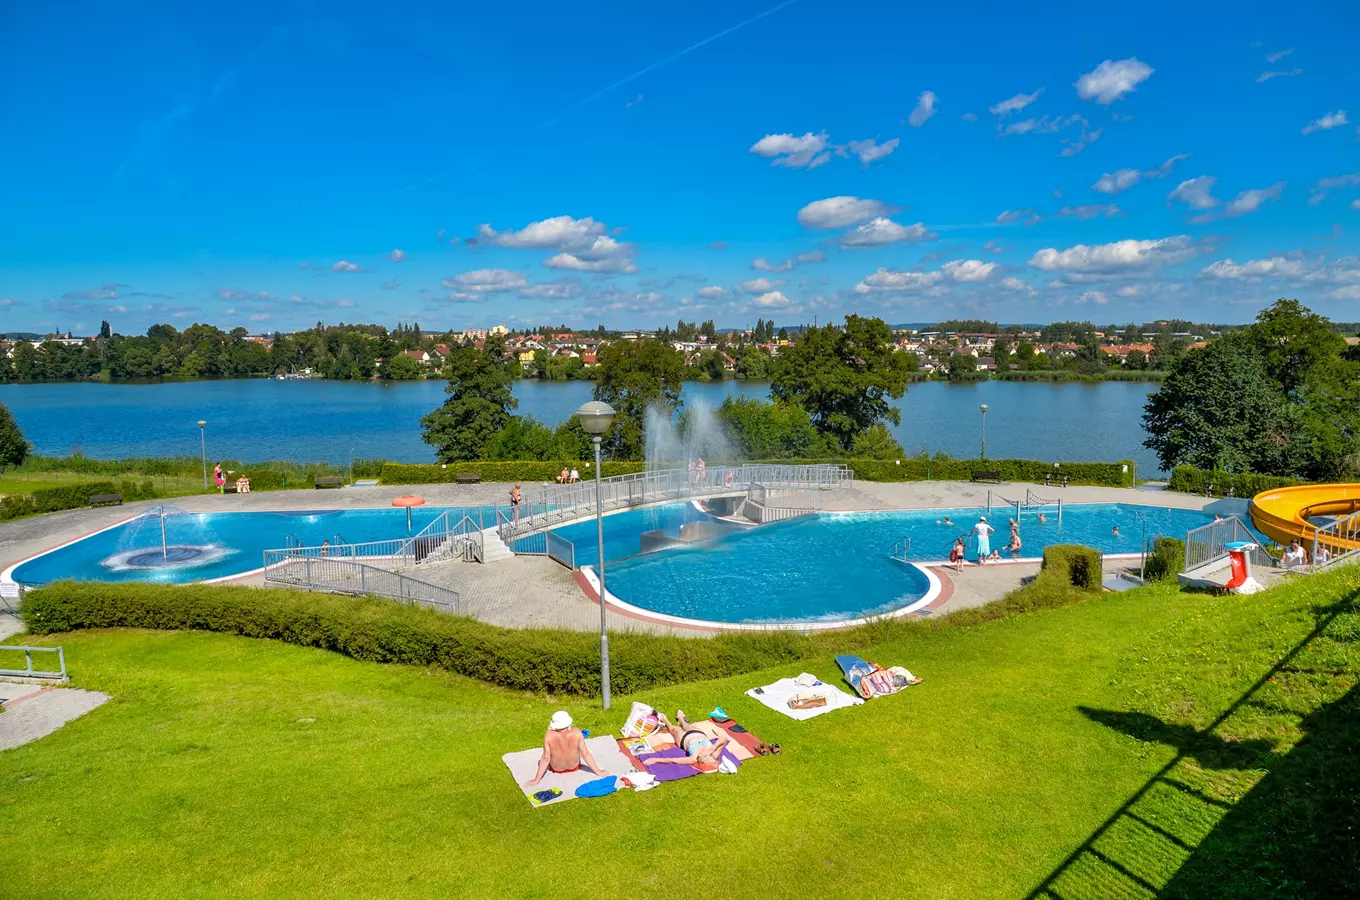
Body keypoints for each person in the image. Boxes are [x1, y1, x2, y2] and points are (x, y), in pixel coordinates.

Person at [523, 711, 611, 787]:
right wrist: (599, 772)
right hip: (575, 767)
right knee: (584, 750)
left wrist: (536, 780)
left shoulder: (549, 735)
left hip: (557, 769)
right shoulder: (577, 732)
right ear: (568, 723)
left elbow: (546, 758)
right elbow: (585, 753)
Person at [647, 710, 729, 773]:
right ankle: (680, 719)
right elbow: (724, 738)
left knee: (673, 729)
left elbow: (674, 760)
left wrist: (655, 759)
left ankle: (666, 721)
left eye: (703, 758)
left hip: (683, 739)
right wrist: (713, 748)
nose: (707, 757)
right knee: (685, 725)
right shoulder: (714, 753)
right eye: (710, 758)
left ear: (700, 759)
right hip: (697, 733)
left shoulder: (693, 759)